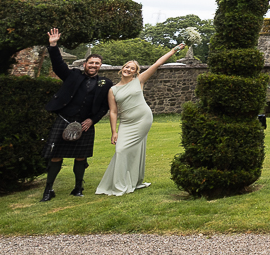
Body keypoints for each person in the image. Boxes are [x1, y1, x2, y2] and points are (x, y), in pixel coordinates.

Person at [94, 43, 185, 196]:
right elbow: (114, 112)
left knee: (127, 150)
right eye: (126, 67)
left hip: (143, 119)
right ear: (122, 69)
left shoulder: (139, 81)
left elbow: (157, 63)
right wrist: (113, 132)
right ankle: (129, 181)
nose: (128, 69)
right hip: (126, 123)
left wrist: (174, 50)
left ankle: (124, 183)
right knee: (121, 150)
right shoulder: (113, 90)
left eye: (132, 68)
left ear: (136, 72)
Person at [41, 28, 113, 201]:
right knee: (55, 155)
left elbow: (105, 107)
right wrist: (53, 45)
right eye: (91, 63)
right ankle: (48, 189)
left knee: (81, 156)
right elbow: (58, 64)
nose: (93, 66)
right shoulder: (72, 75)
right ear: (84, 64)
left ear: (100, 66)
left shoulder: (106, 83)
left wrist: (92, 120)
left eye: (97, 63)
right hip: (64, 120)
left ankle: (78, 187)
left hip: (85, 124)